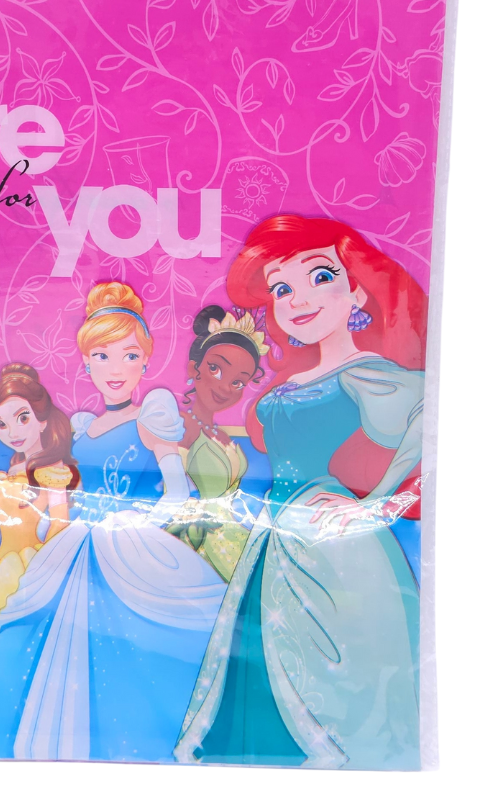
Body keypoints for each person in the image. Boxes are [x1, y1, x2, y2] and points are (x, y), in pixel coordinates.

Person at [175, 216, 427, 770]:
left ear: (356, 289)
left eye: (321, 277)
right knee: (266, 652)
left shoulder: (368, 373)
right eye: (283, 289)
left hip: (334, 547)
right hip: (277, 539)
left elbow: (427, 425)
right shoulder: (289, 383)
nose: (299, 299)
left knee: (336, 673)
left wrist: (379, 504)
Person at [0, 282, 226, 761]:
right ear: (86, 363)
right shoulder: (83, 427)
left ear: (145, 360)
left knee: (134, 651)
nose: (115, 369)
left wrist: (135, 522)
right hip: (74, 546)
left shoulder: (152, 415)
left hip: (132, 548)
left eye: (129, 355)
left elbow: (178, 495)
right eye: (102, 357)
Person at [0, 364, 77, 715]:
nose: (11, 431)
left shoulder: (54, 472)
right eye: (0, 423)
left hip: (29, 565)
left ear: (42, 420)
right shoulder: (7, 471)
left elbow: (60, 525)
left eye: (22, 418)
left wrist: (47, 569)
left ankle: (5, 705)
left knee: (3, 632)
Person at [167, 306, 269, 580]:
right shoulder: (182, 425)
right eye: (216, 369)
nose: (225, 388)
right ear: (194, 368)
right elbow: (172, 490)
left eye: (238, 383)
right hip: (200, 543)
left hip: (229, 534)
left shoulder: (218, 432)